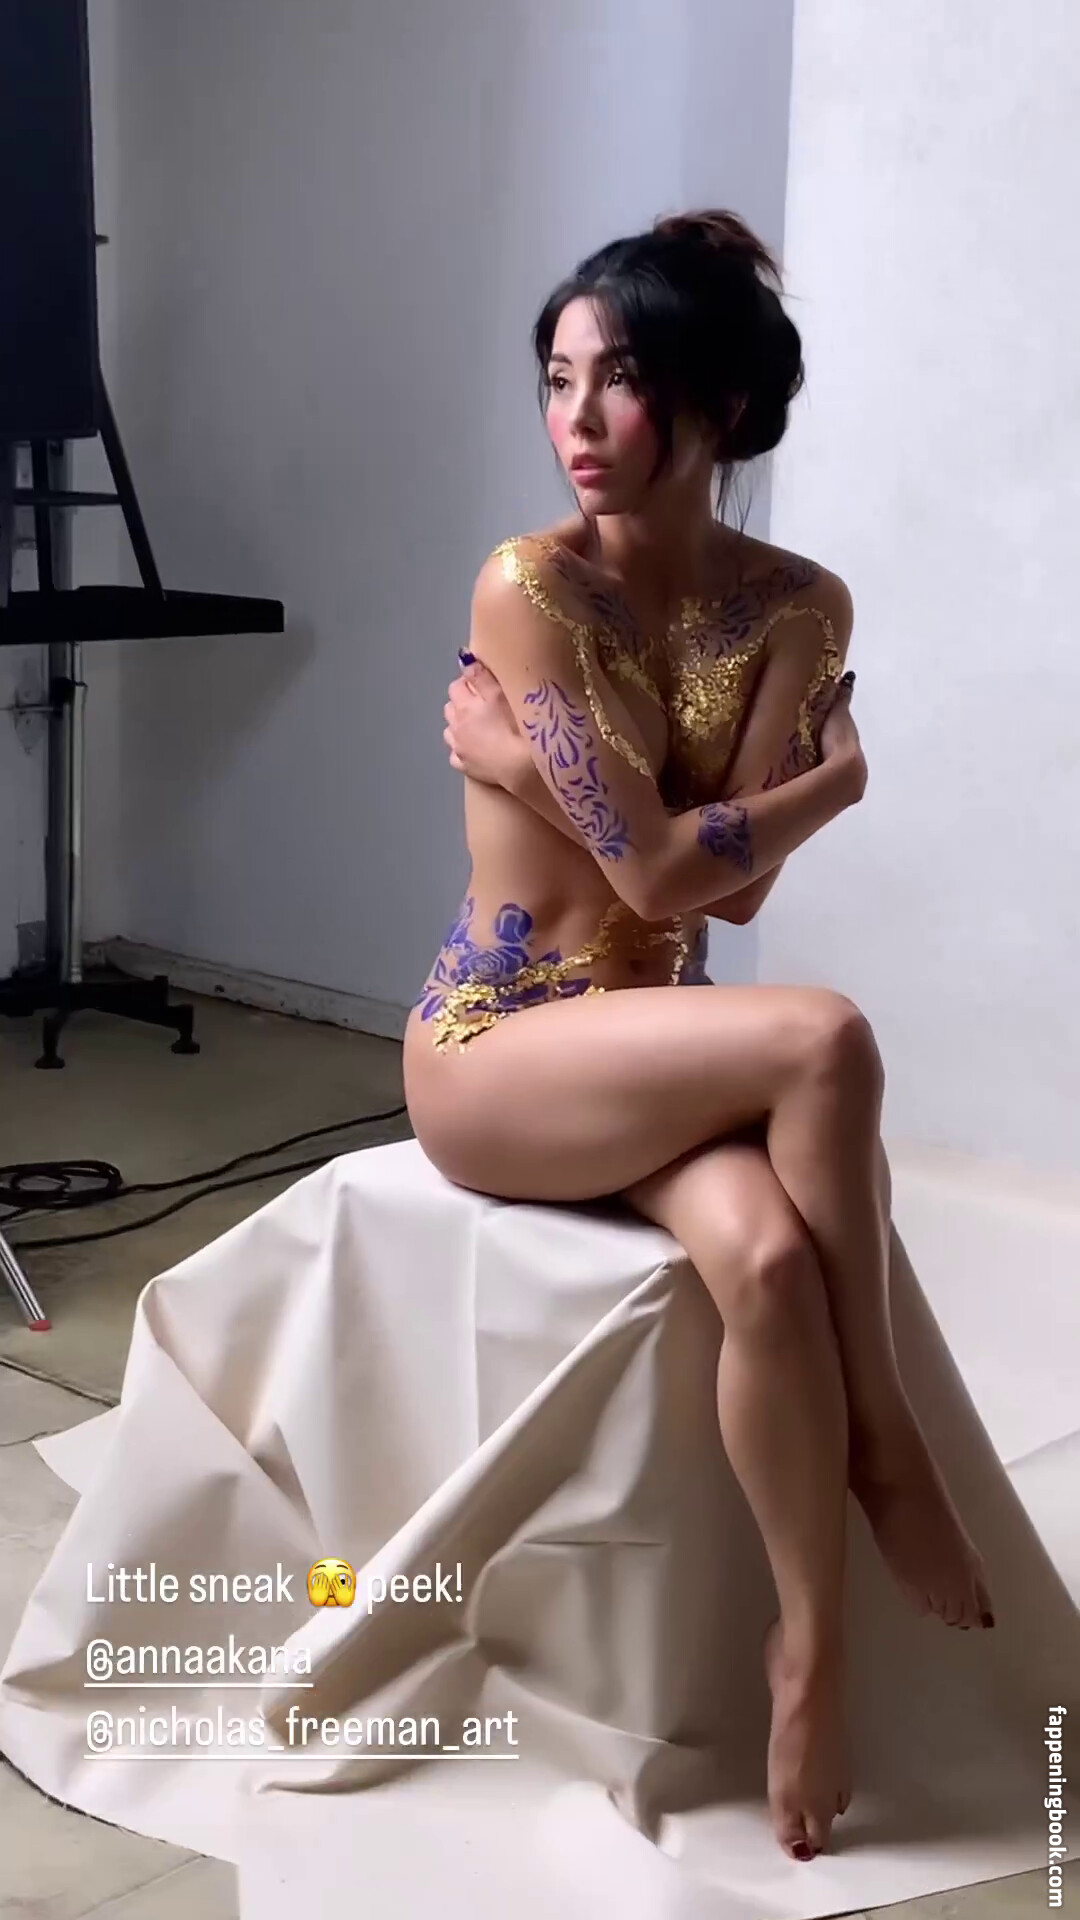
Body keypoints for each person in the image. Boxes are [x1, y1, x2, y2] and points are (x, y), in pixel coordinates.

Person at [401, 208, 993, 1866]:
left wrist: (533, 774)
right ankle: (889, 1448)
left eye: (621, 380)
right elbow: (673, 871)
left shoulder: (800, 604)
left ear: (719, 407)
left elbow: (724, 896)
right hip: (497, 1049)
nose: (577, 419)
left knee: (773, 1265)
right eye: (558, 379)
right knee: (824, 1039)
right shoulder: (529, 584)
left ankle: (812, 1652)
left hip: (648, 1038)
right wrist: (836, 785)